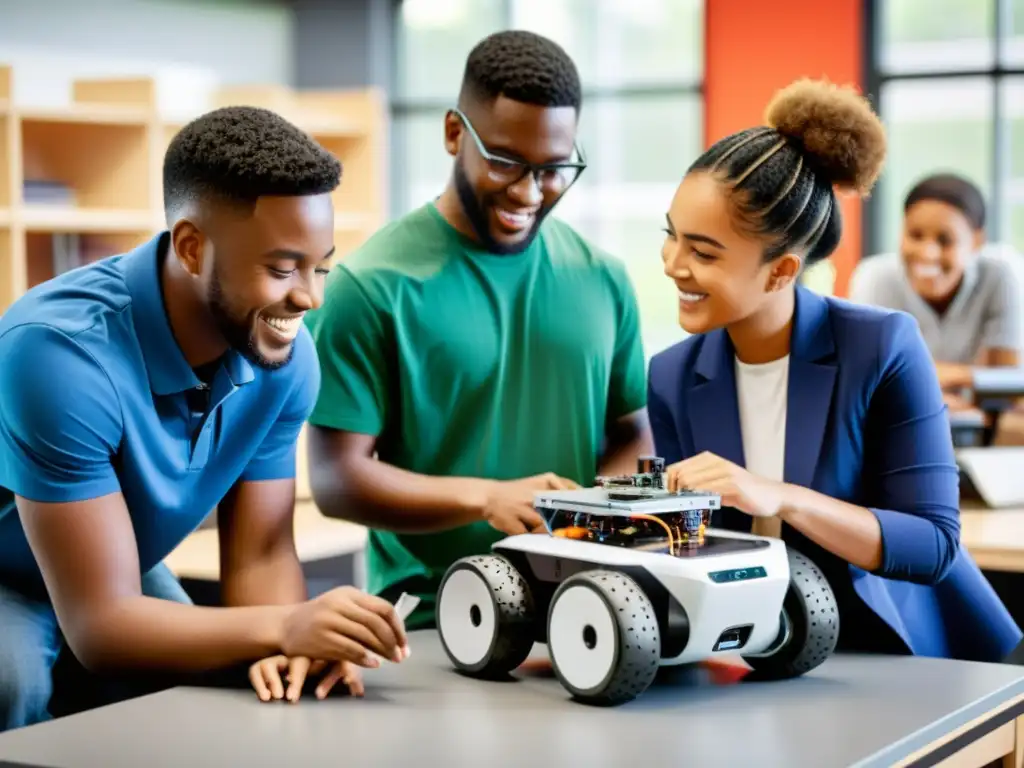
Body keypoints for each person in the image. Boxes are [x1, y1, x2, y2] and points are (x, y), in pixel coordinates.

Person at [0, 106, 409, 732]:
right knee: (13, 682)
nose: (311, 298)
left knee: (232, 690)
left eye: (319, 266)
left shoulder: (284, 354)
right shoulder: (57, 353)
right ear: (192, 247)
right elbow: (103, 627)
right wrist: (285, 624)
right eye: (281, 269)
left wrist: (295, 647)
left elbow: (262, 555)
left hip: (111, 561)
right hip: (20, 575)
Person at [646, 78, 1021, 662]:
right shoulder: (672, 376)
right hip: (756, 655)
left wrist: (780, 497)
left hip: (897, 655)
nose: (673, 265)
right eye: (670, 237)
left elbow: (932, 545)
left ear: (781, 270)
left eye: (703, 251)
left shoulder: (881, 346)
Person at [305, 30, 651, 629]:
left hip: (585, 610)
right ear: (452, 133)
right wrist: (489, 498)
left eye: (553, 170)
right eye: (504, 161)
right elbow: (338, 480)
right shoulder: (368, 287)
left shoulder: (605, 279)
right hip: (435, 619)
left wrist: (588, 515)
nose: (528, 191)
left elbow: (631, 435)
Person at [849, 173, 1022, 411]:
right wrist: (966, 379)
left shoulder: (1000, 274)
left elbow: (1006, 383)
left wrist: (916, 380)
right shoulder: (875, 277)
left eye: (945, 240)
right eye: (915, 235)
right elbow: (867, 378)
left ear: (976, 241)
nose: (927, 253)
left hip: (978, 424)